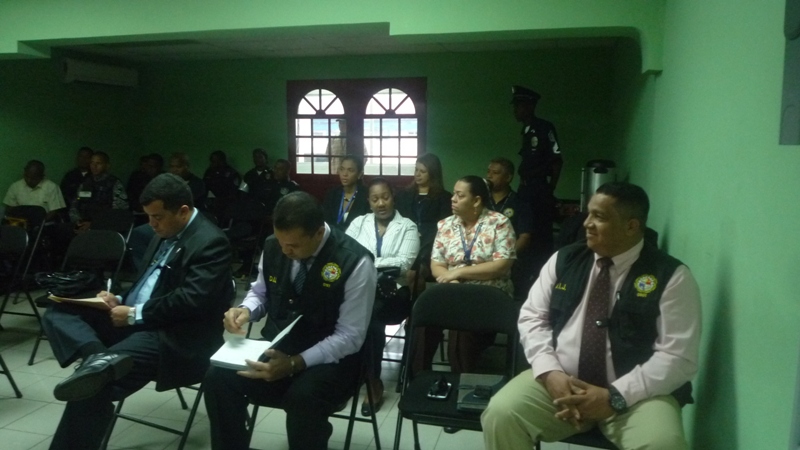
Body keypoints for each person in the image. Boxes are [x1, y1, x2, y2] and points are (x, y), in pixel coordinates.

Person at [481, 182, 701, 450]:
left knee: (664, 444)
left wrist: (615, 396)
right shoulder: (565, 260)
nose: (587, 223)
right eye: (588, 214)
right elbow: (532, 317)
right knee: (501, 414)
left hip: (636, 397)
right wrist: (549, 372)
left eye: (599, 216)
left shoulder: (671, 277)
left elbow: (678, 356)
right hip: (562, 382)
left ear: (631, 226)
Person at [42, 173, 233, 450]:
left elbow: (191, 301)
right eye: (149, 216)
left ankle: (99, 367)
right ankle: (98, 358)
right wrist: (118, 298)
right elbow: (150, 283)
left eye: (157, 217)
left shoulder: (210, 242)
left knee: (93, 385)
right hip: (138, 320)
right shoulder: (163, 231)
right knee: (59, 311)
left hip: (175, 336)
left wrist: (133, 313)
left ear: (183, 211)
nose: (152, 224)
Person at [204, 191, 377, 450]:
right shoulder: (275, 245)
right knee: (218, 377)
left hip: (331, 360)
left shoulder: (355, 261)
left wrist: (295, 363)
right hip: (278, 344)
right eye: (281, 242)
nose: (285, 251)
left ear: (318, 233)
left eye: (293, 245)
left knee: (303, 398)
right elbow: (261, 293)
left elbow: (350, 336)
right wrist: (245, 310)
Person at [416, 175, 516, 375]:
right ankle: (417, 379)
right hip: (452, 289)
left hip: (489, 293)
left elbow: (501, 265)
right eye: (454, 194)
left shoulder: (499, 223)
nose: (453, 199)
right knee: (421, 321)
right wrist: (453, 281)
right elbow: (437, 264)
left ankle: (462, 383)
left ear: (476, 200)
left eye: (460, 196)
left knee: (462, 326)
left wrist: (459, 271)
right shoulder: (445, 225)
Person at [345, 177, 419, 416]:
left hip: (393, 295)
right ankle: (346, 373)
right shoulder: (358, 223)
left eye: (385, 197)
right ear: (368, 202)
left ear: (393, 197)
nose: (380, 203)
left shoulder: (407, 226)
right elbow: (345, 255)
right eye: (375, 199)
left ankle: (373, 381)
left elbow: (404, 264)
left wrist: (365, 262)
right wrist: (380, 264)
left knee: (371, 316)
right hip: (359, 290)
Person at [512, 85, 562, 276]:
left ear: (529, 106)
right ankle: (525, 275)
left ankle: (542, 274)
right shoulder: (526, 130)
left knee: (540, 236)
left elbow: (557, 160)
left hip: (539, 189)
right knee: (524, 231)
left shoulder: (544, 127)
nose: (515, 110)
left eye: (518, 106)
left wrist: (549, 189)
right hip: (526, 189)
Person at [394, 153, 451, 292]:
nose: (417, 174)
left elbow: (444, 228)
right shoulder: (404, 195)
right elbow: (398, 221)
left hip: (430, 246)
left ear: (432, 173)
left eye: (423, 171)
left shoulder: (444, 198)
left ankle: (419, 303)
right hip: (405, 242)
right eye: (416, 170)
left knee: (415, 273)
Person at [486, 157, 535, 300]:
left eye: (495, 173)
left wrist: (505, 257)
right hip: (482, 257)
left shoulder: (520, 202)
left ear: (508, 177)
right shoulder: (481, 200)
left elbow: (525, 237)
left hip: (510, 260)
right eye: (488, 172)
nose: (489, 176)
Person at [67, 151, 129, 231]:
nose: (94, 166)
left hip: (105, 228)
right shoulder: (86, 183)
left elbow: (119, 211)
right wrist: (78, 222)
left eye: (98, 163)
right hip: (83, 225)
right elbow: (75, 205)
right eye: (92, 163)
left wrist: (93, 224)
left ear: (107, 166)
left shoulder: (114, 183)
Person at [322, 155, 370, 230]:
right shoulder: (333, 194)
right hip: (333, 235)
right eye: (342, 169)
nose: (344, 174)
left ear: (359, 174)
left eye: (350, 170)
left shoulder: (366, 196)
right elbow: (325, 221)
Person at [203, 150, 241, 220]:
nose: (212, 163)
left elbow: (234, 193)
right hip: (212, 205)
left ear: (221, 161)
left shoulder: (231, 173)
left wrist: (221, 200)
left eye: (214, 161)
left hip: (227, 206)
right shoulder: (209, 172)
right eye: (212, 161)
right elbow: (204, 188)